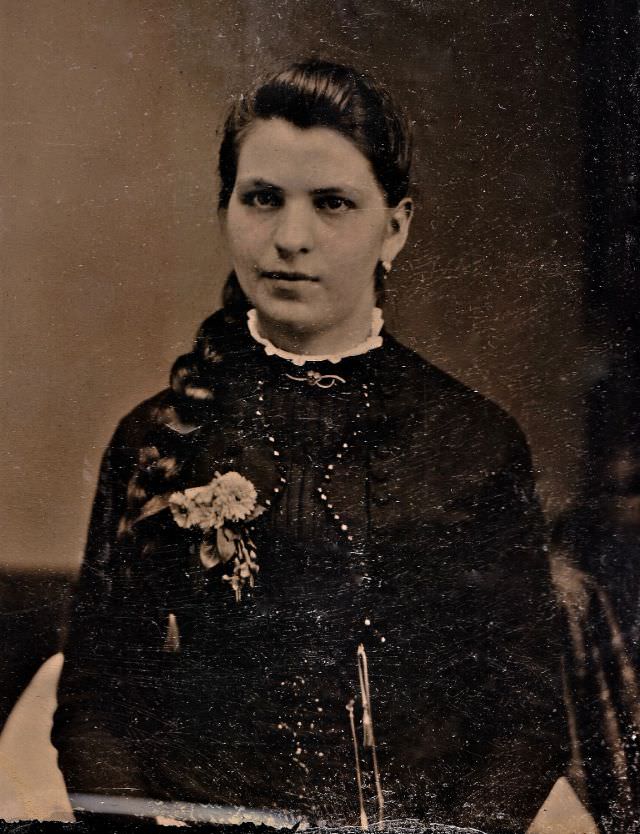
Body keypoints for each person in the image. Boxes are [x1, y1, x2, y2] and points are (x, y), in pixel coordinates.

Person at [52, 59, 568, 832]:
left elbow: (526, 724)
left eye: (332, 204)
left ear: (394, 227)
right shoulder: (153, 438)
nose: (290, 238)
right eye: (262, 199)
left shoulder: (473, 441)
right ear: (226, 208)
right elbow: (94, 707)